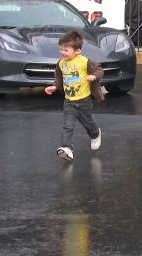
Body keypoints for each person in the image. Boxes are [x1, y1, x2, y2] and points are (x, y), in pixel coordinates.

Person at [44, 30, 104, 161]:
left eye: (66, 50)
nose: (62, 52)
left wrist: (93, 76)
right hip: (69, 101)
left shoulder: (84, 61)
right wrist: (54, 86)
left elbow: (99, 69)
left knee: (87, 122)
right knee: (68, 126)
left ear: (77, 51)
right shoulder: (61, 64)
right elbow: (59, 78)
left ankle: (95, 134)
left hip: (84, 101)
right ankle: (67, 149)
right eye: (61, 49)